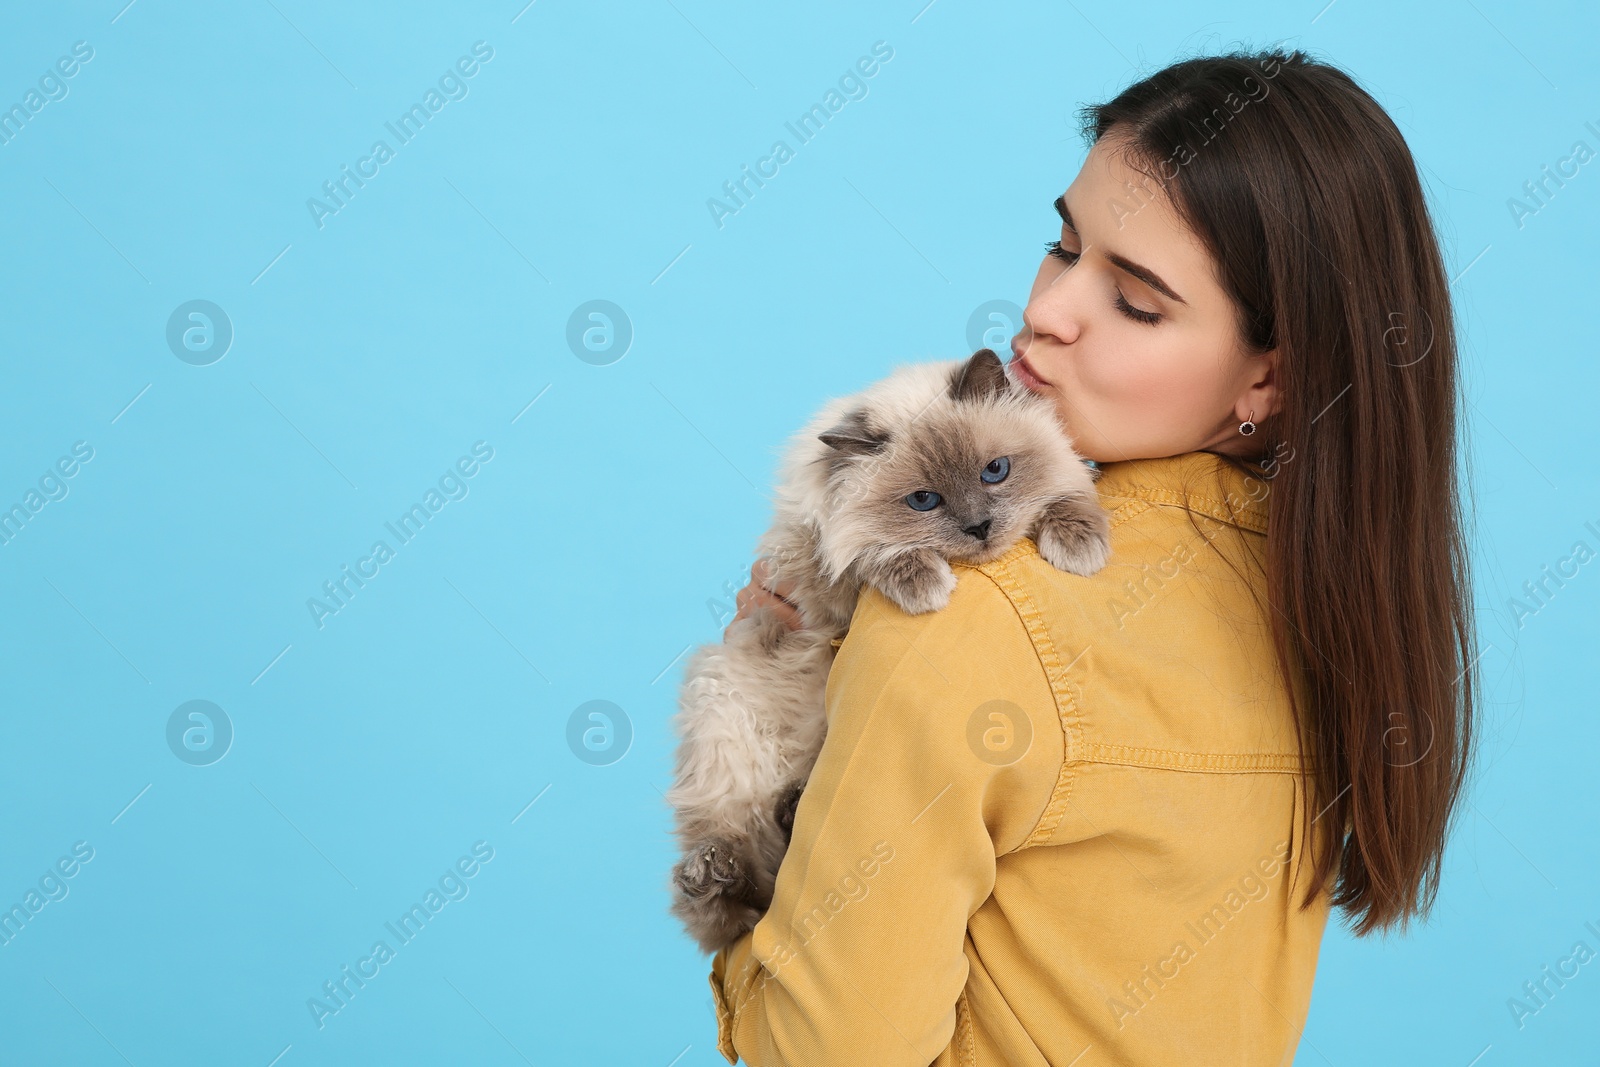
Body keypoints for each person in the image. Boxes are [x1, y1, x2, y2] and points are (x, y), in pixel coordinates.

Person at [707, 46, 1478, 1066]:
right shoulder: (1334, 605)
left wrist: (765, 807)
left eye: (1137, 302)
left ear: (1268, 380)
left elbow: (827, 1050)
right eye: (1063, 246)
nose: (1046, 311)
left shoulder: (965, 610)